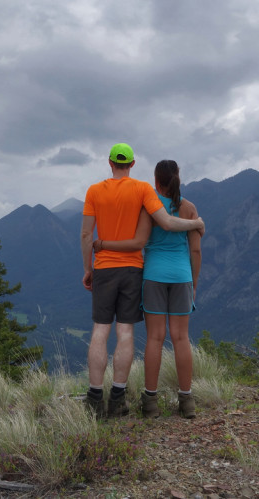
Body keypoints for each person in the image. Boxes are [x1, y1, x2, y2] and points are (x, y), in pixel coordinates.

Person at [81, 143, 205, 418]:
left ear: (110, 162)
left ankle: (140, 401)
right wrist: (194, 279)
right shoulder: (182, 205)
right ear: (133, 164)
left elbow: (126, 239)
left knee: (147, 337)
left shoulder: (123, 197)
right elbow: (189, 244)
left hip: (141, 274)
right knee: (176, 337)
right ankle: (182, 400)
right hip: (164, 274)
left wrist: (91, 262)